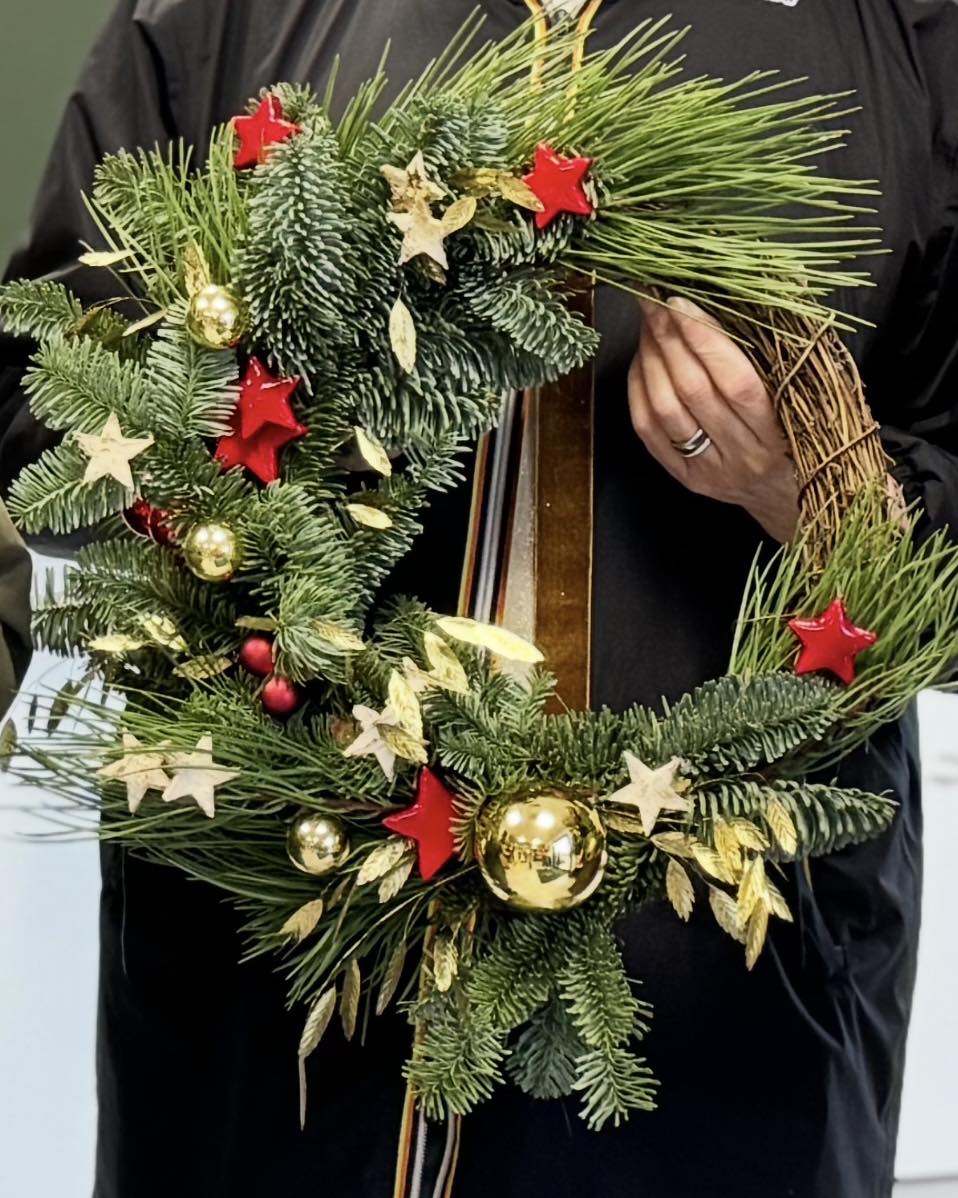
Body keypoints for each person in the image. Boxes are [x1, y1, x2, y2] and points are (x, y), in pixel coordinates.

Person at [1, 2, 956, 1195]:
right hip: (275, 1005)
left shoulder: (906, 39)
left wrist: (817, 481)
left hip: (722, 1020)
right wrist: (253, 389)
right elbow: (40, 422)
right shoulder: (217, 17)